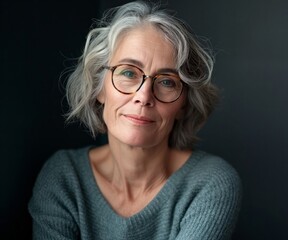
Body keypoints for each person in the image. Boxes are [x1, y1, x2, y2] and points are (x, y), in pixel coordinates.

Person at [28, 1, 242, 239]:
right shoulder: (63, 177)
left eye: (167, 81)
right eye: (128, 72)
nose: (144, 96)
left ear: (184, 104)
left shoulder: (210, 183)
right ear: (99, 88)